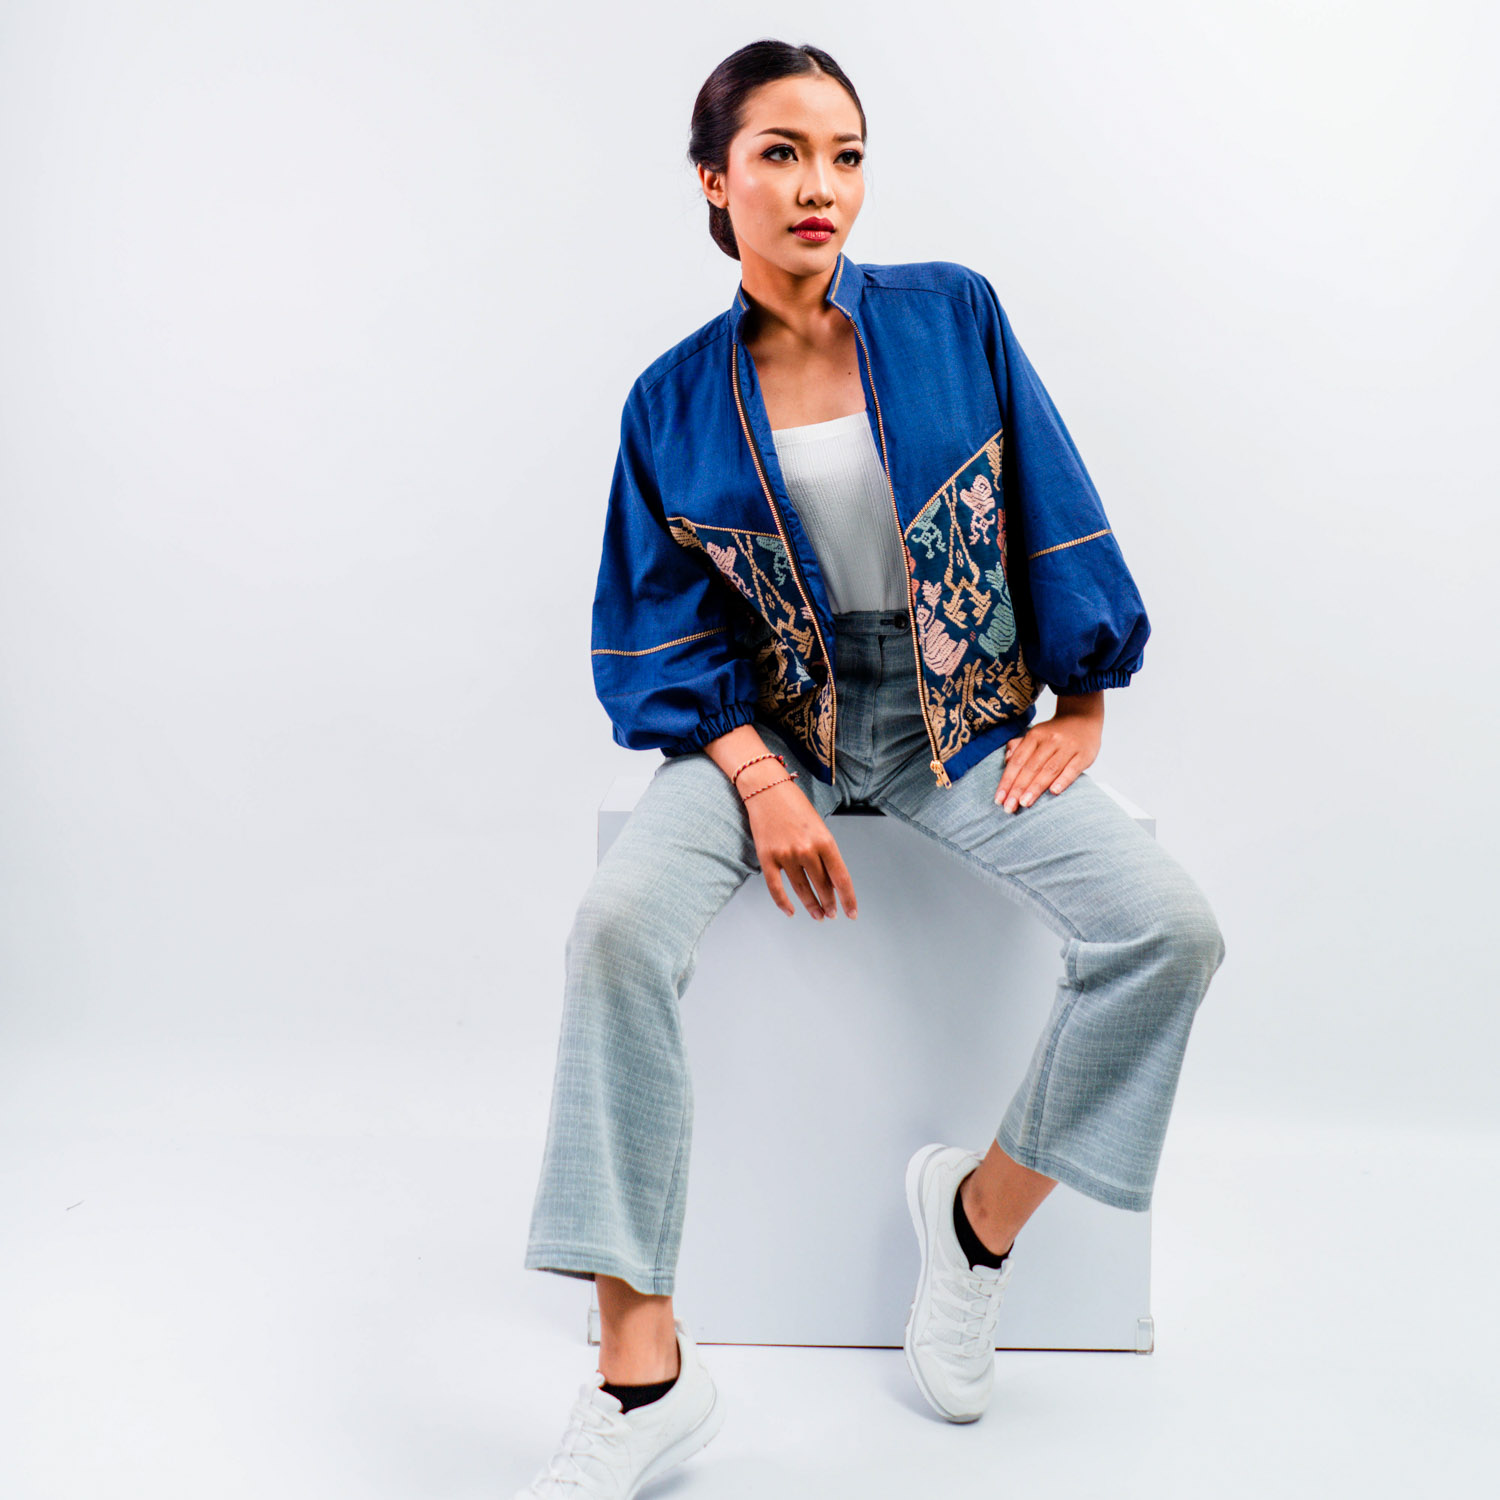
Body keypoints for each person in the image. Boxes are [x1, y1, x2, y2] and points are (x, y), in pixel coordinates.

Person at [510, 37, 1226, 1500]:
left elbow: (1049, 486)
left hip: (955, 713)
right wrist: (759, 777)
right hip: (759, 724)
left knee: (1168, 929)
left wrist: (1084, 695)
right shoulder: (672, 402)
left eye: (843, 154)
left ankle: (975, 1224)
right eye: (779, 154)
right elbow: (653, 624)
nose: (817, 186)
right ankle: (644, 1372)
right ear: (713, 179)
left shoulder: (952, 316)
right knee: (615, 932)